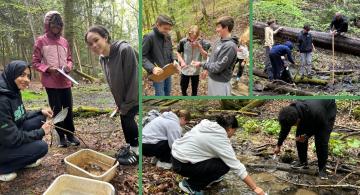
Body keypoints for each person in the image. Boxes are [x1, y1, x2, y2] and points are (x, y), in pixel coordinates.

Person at [85, 25, 139, 165]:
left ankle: (136, 152)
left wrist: (128, 103)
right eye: (90, 44)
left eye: (96, 40)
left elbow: (134, 78)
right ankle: (132, 146)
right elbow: (112, 82)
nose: (94, 45)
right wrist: (119, 103)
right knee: (124, 118)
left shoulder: (124, 50)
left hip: (133, 94)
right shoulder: (102, 59)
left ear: (105, 37)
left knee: (127, 117)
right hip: (122, 99)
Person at [171, 115, 265, 195]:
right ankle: (190, 185)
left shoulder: (206, 125)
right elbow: (236, 166)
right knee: (225, 166)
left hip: (174, 157)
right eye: (234, 131)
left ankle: (210, 177)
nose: (233, 134)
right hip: (182, 165)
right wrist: (255, 188)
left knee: (220, 160)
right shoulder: (220, 139)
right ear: (229, 128)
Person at [32, 11, 79, 148]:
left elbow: (69, 59)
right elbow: (35, 62)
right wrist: (47, 68)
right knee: (57, 110)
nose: (56, 28)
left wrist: (68, 66)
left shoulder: (64, 41)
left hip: (65, 81)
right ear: (47, 25)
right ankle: (61, 136)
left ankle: (70, 134)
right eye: (53, 25)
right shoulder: (41, 41)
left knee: (68, 109)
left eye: (58, 25)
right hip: (51, 83)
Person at [0, 61, 52, 182]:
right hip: (4, 143)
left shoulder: (12, 89)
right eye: (22, 75)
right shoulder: (2, 100)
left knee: (40, 119)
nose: (27, 79)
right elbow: (13, 138)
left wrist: (40, 112)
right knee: (41, 147)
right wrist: (41, 132)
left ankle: (23, 156)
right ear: (12, 74)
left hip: (6, 137)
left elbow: (20, 115)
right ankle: (3, 168)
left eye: (28, 76)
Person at [274, 100, 337, 180]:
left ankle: (322, 168)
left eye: (294, 125)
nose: (294, 126)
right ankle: (303, 162)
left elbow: (320, 126)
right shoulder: (288, 114)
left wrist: (306, 135)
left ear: (298, 120)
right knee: (299, 137)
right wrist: (278, 145)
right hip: (308, 114)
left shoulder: (316, 112)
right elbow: (284, 129)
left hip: (326, 113)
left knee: (321, 141)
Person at [192, 16, 239, 96]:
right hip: (212, 79)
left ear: (226, 28)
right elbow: (211, 57)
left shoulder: (230, 46)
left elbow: (218, 67)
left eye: (218, 27)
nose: (216, 29)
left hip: (220, 83)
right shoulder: (218, 41)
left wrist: (201, 64)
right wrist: (206, 70)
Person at [143, 15, 174, 96]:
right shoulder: (149, 37)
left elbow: (170, 50)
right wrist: (152, 68)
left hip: (168, 71)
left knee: (168, 93)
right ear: (157, 25)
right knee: (160, 95)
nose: (167, 31)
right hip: (157, 73)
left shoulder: (168, 37)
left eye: (169, 29)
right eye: (165, 28)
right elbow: (142, 57)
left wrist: (175, 61)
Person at [176, 25, 210, 96]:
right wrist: (181, 61)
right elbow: (178, 52)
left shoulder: (203, 43)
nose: (192, 40)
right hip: (185, 69)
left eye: (194, 38)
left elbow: (205, 56)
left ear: (198, 36)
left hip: (196, 70)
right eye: (191, 37)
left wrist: (199, 47)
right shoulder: (183, 41)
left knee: (194, 89)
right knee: (183, 87)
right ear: (188, 34)